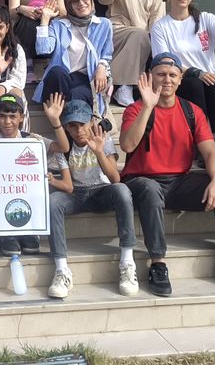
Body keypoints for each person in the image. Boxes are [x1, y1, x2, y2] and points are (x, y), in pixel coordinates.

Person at [118, 53, 215, 297]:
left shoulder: (192, 111)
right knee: (149, 189)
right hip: (142, 181)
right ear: (150, 77)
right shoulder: (135, 109)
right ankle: (158, 263)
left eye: (172, 75)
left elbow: (210, 152)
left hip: (178, 182)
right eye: (161, 74)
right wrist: (147, 107)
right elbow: (127, 145)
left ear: (180, 80)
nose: (167, 80)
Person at [46, 99, 136, 299]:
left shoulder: (103, 139)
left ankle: (127, 261)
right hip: (76, 194)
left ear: (91, 122)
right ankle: (61, 269)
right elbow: (69, 185)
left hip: (102, 191)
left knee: (122, 190)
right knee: (53, 202)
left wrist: (99, 152)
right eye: (72, 125)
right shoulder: (64, 146)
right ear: (66, 127)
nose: (79, 130)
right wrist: (53, 181)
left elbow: (115, 178)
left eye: (82, 124)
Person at [0, 93, 69, 256]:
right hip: (1, 196)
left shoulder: (33, 140)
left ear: (21, 117)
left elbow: (63, 147)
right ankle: (8, 234)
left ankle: (30, 231)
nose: (7, 121)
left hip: (27, 196)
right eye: (2, 116)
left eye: (12, 116)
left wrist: (55, 121)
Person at [98, 0, 165, 106]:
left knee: (146, 37)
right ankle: (124, 86)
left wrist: (154, 35)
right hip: (118, 30)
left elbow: (157, 13)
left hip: (144, 33)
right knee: (140, 35)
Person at [33, 0, 113, 117]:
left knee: (76, 95)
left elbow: (107, 53)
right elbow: (43, 50)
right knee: (56, 72)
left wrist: (101, 66)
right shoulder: (58, 25)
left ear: (91, 0)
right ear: (69, 6)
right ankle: (60, 115)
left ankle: (66, 122)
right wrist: (45, 20)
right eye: (75, 1)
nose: (81, 3)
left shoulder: (104, 24)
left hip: (86, 79)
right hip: (62, 80)